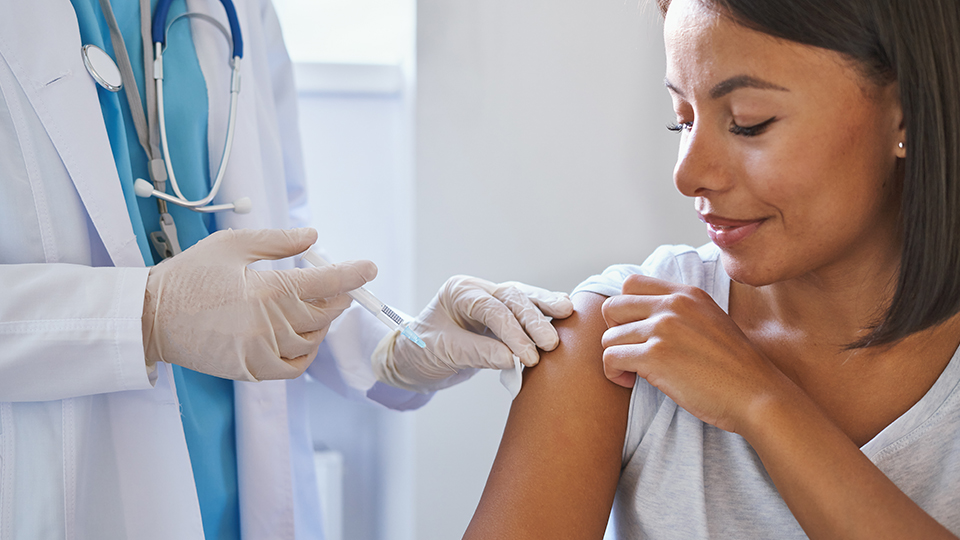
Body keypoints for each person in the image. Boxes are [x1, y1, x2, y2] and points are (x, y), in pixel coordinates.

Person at [0, 0, 573, 538]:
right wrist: (145, 315)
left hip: (236, 482)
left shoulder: (241, 11)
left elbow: (278, 226)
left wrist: (384, 351)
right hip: (69, 479)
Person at [465, 0, 960, 538]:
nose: (688, 174)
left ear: (906, 111)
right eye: (682, 119)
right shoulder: (617, 333)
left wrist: (763, 403)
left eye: (749, 124)